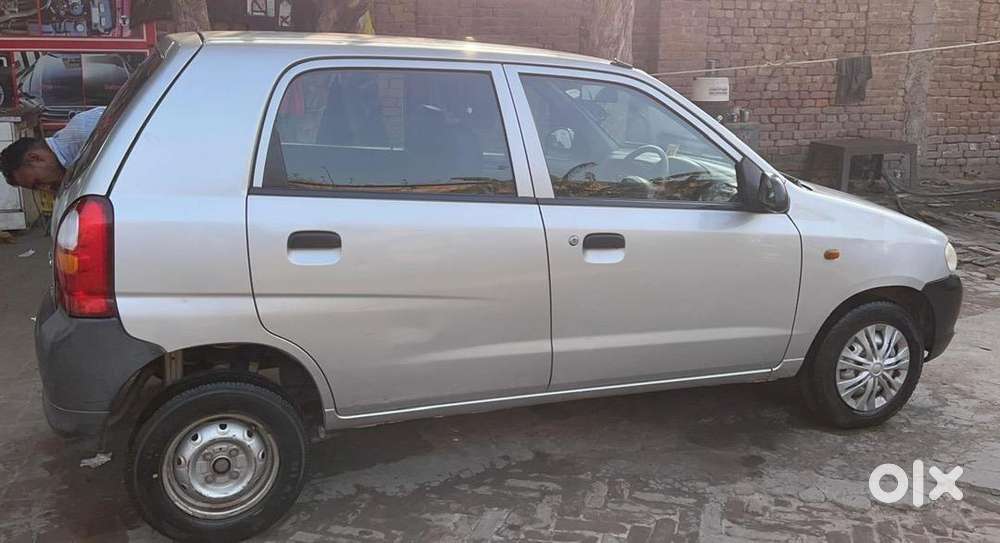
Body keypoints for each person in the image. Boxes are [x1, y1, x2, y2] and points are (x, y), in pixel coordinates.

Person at [0, 106, 105, 194]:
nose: (47, 189)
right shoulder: (72, 175)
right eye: (37, 189)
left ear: (35, 158)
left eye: (38, 183)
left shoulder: (87, 133)